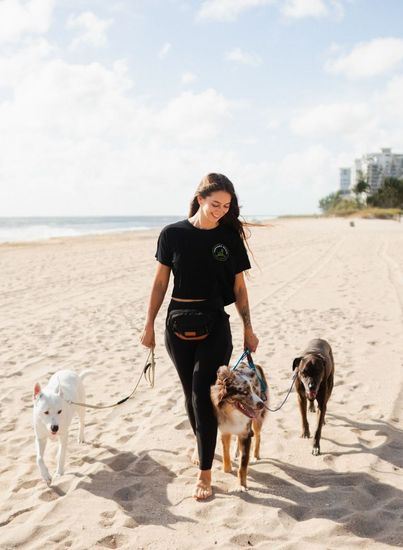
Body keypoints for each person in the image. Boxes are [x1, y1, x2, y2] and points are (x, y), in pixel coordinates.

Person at [140, 173, 259, 500]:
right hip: (176, 325)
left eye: (227, 205)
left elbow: (239, 288)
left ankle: (205, 473)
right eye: (215, 203)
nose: (221, 210)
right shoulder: (173, 234)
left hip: (215, 326)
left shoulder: (229, 237)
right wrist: (149, 324)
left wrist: (248, 327)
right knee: (190, 393)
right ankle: (202, 443)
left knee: (203, 395)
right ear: (200, 198)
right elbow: (160, 283)